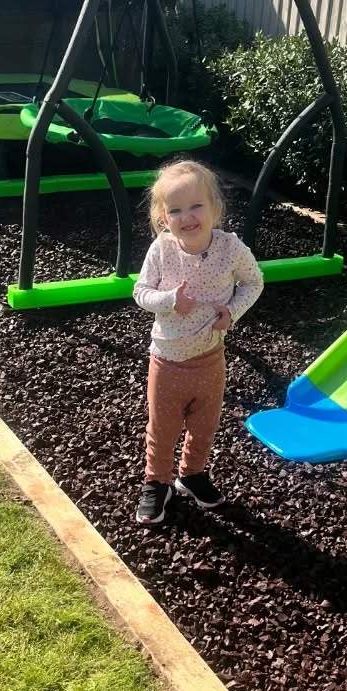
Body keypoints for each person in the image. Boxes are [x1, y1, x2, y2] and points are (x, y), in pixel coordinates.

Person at [132, 159, 264, 525]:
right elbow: (140, 292)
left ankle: (191, 475)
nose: (187, 216)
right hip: (167, 361)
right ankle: (157, 483)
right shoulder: (161, 250)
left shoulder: (230, 249)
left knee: (205, 424)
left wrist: (232, 312)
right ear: (163, 218)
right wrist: (170, 300)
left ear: (215, 209)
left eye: (196, 206)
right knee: (162, 428)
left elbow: (254, 283)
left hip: (210, 359)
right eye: (175, 210)